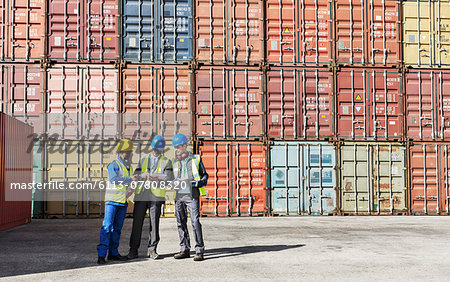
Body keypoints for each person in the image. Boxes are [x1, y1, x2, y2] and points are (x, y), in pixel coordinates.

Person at [127, 135, 173, 260]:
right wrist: (143, 174)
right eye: (154, 148)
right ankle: (133, 250)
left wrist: (157, 177)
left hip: (156, 196)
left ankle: (152, 250)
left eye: (157, 149)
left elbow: (169, 178)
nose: (155, 151)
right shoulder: (143, 159)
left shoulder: (166, 161)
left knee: (154, 224)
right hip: (142, 194)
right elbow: (135, 175)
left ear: (162, 149)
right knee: (137, 223)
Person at [97, 139, 137, 265]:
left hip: (122, 201)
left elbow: (128, 182)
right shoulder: (113, 164)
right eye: (127, 152)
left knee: (117, 229)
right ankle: (101, 255)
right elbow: (114, 180)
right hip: (112, 201)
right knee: (107, 227)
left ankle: (113, 253)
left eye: (130, 152)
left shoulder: (128, 166)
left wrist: (131, 190)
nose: (129, 154)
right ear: (121, 152)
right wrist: (130, 178)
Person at [171, 134, 208, 262]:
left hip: (192, 195)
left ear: (185, 146)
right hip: (178, 196)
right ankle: (184, 249)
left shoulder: (196, 159)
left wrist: (200, 182)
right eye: (175, 147)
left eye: (178, 147)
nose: (176, 149)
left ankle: (199, 250)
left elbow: (205, 176)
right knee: (180, 222)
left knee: (195, 221)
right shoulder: (174, 161)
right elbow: (171, 178)